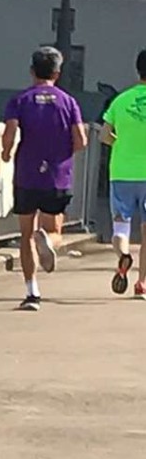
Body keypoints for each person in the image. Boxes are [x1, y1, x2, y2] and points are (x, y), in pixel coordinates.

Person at [1, 47, 86, 312]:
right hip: (57, 175)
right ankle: (48, 241)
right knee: (54, 229)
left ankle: (31, 291)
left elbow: (10, 132)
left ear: (31, 71)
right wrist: (64, 153)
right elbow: (81, 140)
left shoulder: (20, 100)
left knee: (25, 234)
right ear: (57, 73)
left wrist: (6, 152)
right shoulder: (68, 102)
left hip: (26, 173)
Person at [100, 49, 146, 298]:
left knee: (121, 225)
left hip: (121, 172)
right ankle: (142, 284)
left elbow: (104, 135)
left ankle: (124, 255)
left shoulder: (121, 100)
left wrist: (121, 142)